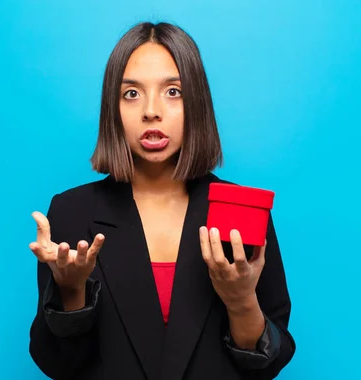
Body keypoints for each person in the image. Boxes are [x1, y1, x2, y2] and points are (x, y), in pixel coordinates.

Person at [28, 21, 296, 380]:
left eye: (173, 92)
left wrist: (241, 300)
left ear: (196, 102)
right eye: (132, 94)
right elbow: (60, 365)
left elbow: (267, 363)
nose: (151, 111)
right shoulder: (72, 213)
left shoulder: (242, 212)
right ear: (113, 108)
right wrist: (71, 290)